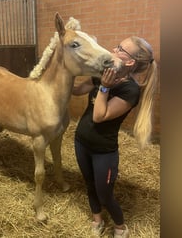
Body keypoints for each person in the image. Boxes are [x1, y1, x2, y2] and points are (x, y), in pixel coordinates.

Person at [72, 36, 157, 237]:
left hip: (103, 151)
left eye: (120, 49)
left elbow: (99, 116)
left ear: (130, 62)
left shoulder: (130, 90)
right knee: (89, 184)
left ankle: (120, 227)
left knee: (105, 194)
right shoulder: (102, 72)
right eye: (117, 45)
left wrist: (105, 87)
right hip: (81, 141)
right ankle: (97, 220)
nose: (113, 48)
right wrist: (66, 70)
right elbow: (77, 90)